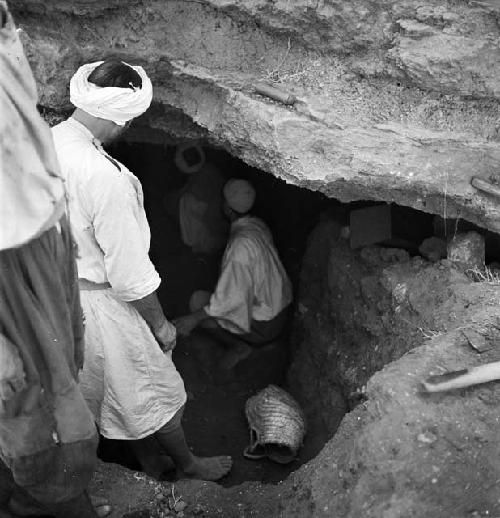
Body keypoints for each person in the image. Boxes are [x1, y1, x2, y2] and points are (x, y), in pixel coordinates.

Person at [51, 59, 232, 481]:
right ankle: (187, 464)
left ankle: (147, 460)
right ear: (124, 117)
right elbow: (129, 273)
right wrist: (160, 325)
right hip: (98, 302)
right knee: (155, 391)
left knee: (96, 386)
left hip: (48, 290)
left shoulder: (37, 144)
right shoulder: (105, 177)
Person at [0, 4, 105, 517]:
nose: (13, 35)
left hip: (39, 290)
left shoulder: (21, 124)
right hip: (15, 317)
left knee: (60, 409)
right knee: (36, 429)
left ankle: (47, 493)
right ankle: (35, 500)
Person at [175, 179, 293, 368]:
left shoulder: (239, 245)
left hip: (266, 324)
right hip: (282, 309)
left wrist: (192, 319)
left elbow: (231, 299)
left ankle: (240, 346)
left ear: (227, 209)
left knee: (197, 302)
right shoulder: (257, 225)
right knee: (218, 291)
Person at [170, 143, 229, 255]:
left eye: (191, 156)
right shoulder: (209, 170)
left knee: (184, 200)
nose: (191, 158)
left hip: (211, 235)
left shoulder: (203, 178)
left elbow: (207, 211)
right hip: (219, 230)